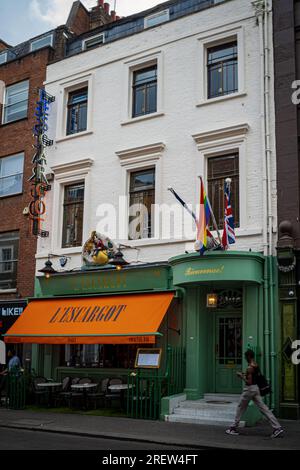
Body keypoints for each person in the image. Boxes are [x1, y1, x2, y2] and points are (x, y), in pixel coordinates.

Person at [226, 349, 284, 438]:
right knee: (264, 408)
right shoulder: (255, 364)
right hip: (256, 389)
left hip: (249, 389)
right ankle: (277, 428)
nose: (245, 358)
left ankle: (233, 428)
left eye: (246, 357)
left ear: (249, 356)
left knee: (241, 407)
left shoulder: (250, 367)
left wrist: (241, 376)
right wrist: (245, 374)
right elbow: (253, 377)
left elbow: (249, 382)